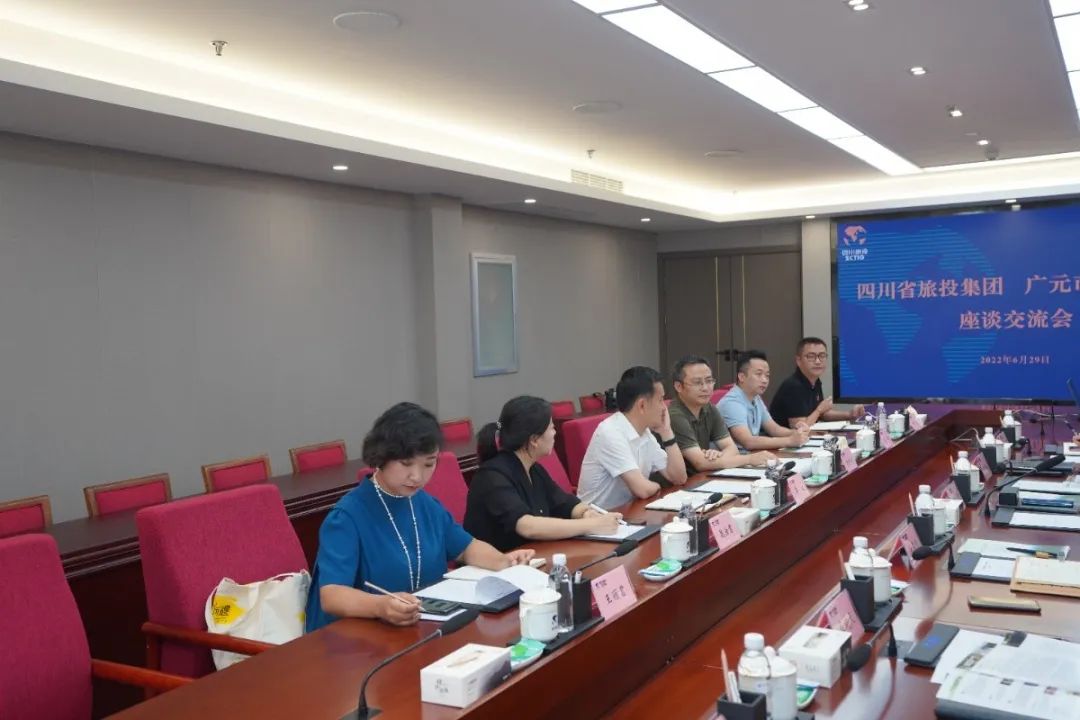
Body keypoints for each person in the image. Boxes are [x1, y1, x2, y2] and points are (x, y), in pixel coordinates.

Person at [305, 402, 534, 631]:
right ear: (381, 457)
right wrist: (380, 606)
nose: (417, 476)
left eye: (428, 464)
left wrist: (504, 562)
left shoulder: (425, 504)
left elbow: (467, 548)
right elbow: (332, 595)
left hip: (419, 627)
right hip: (359, 637)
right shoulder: (346, 517)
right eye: (406, 464)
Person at [464, 396, 622, 551]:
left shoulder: (534, 469)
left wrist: (586, 513)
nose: (555, 433)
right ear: (534, 440)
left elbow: (565, 504)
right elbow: (527, 526)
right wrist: (590, 525)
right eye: (552, 428)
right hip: (497, 563)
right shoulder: (492, 476)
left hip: (531, 555)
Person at [576, 366, 688, 509]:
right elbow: (642, 490)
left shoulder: (644, 432)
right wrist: (658, 486)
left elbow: (679, 478)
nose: (664, 407)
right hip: (596, 518)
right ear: (642, 405)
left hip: (628, 512)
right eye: (660, 400)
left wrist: (667, 432)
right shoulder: (610, 432)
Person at [668, 355, 776, 473]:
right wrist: (749, 459)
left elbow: (732, 448)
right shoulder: (675, 416)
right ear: (679, 386)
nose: (705, 388)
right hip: (681, 481)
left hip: (705, 475)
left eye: (709, 381)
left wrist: (717, 456)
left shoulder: (709, 408)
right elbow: (700, 463)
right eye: (697, 382)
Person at [718, 351, 810, 452]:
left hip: (750, 455)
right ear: (742, 377)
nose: (764, 380)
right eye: (759, 374)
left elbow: (774, 429)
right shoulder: (732, 403)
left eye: (767, 375)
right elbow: (748, 442)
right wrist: (789, 441)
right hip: (731, 458)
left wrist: (797, 433)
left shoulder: (756, 398)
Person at [769, 337, 865, 429]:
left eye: (822, 356)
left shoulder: (815, 381)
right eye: (811, 356)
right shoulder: (793, 386)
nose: (818, 361)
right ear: (798, 361)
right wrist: (819, 410)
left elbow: (823, 414)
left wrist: (849, 414)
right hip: (782, 439)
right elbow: (800, 428)